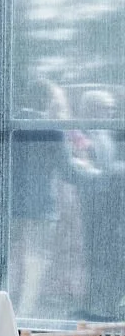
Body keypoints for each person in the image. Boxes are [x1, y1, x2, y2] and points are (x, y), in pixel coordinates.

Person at [8, 78, 73, 316]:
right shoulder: (51, 129)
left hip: (10, 203)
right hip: (41, 206)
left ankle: (5, 304)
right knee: (35, 259)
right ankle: (24, 312)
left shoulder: (10, 123)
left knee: (9, 255)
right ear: (48, 100)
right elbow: (68, 171)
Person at [73, 88, 125, 319]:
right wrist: (113, 172)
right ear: (91, 109)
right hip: (91, 205)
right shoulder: (81, 136)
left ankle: (109, 303)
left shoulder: (107, 134)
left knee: (113, 256)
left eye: (112, 109)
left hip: (112, 205)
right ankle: (95, 305)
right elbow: (82, 169)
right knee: (95, 256)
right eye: (107, 109)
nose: (111, 113)